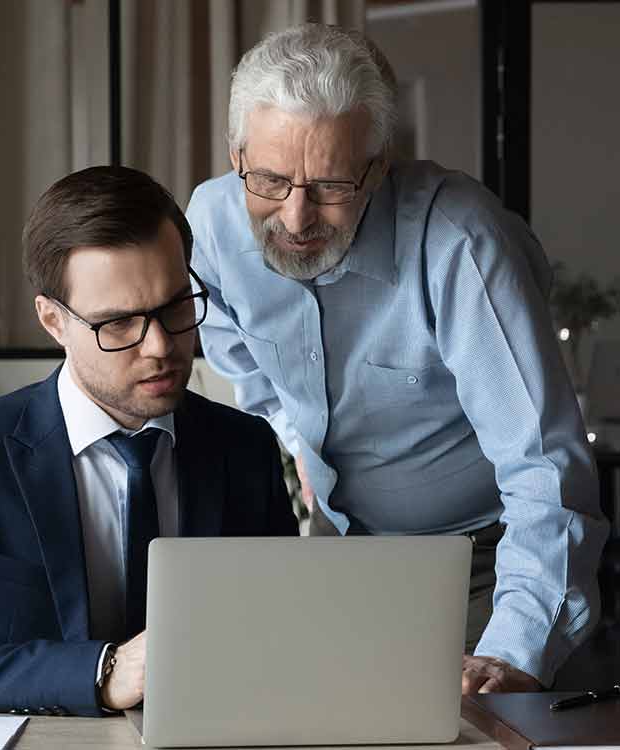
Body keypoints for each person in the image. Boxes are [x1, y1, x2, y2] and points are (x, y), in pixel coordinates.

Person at [186, 23, 608, 693]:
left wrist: (515, 653)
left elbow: (545, 471)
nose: (296, 220)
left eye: (329, 187)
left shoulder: (461, 244)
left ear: (378, 168)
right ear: (235, 154)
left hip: (489, 566)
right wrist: (295, 436)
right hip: (342, 554)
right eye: (268, 180)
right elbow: (242, 360)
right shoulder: (209, 224)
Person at [0, 166, 297, 715]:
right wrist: (101, 672)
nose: (160, 346)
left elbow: (283, 633)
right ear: (53, 321)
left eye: (175, 307)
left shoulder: (244, 448)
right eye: (118, 323)